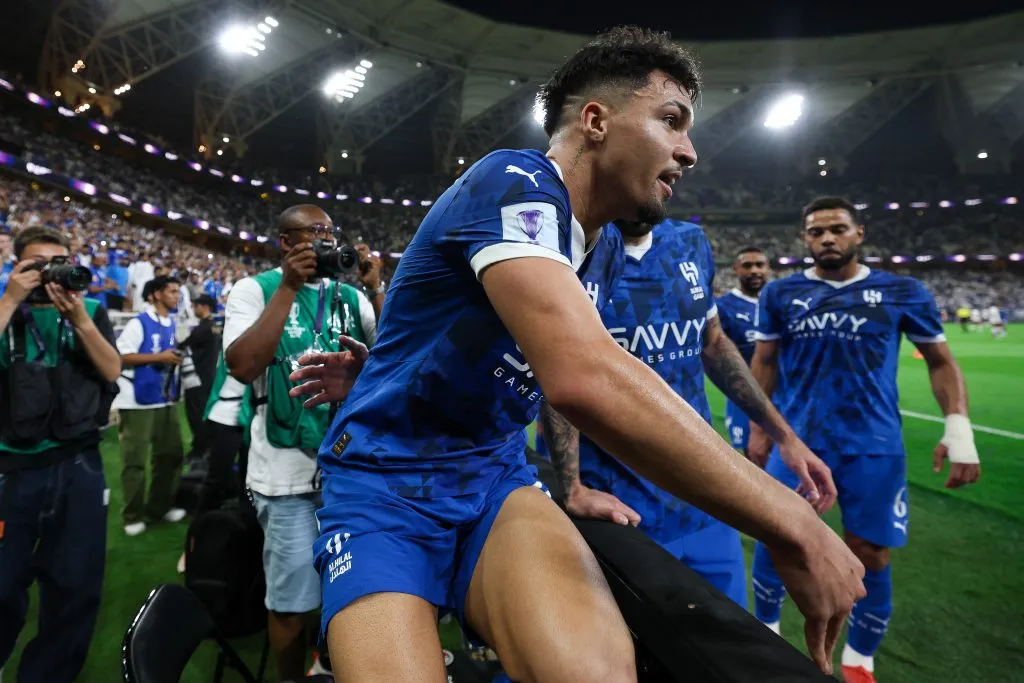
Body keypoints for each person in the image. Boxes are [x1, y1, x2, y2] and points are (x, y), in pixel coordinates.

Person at [293, 27, 865, 681]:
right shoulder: (511, 179)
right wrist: (791, 518)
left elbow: (547, 366)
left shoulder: (607, 248)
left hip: (493, 477)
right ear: (595, 120)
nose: (691, 151)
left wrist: (566, 483)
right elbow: (581, 374)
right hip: (385, 484)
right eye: (671, 120)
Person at [748, 196, 982, 683]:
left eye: (837, 229)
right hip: (798, 443)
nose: (827, 239)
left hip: (873, 444)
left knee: (870, 550)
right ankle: (764, 630)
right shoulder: (781, 294)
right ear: (804, 240)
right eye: (816, 232)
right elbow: (764, 363)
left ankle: (859, 658)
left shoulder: (904, 291)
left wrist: (958, 430)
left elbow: (940, 361)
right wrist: (758, 430)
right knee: (777, 538)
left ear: (859, 234)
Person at [543, 221, 832, 609]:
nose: (680, 162)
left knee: (730, 647)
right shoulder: (564, 249)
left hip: (704, 496)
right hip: (616, 507)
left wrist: (784, 437)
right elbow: (559, 365)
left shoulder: (689, 241)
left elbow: (712, 343)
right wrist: (572, 487)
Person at [223, 204, 376, 683]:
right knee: (291, 602)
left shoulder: (352, 296)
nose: (327, 241)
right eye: (314, 233)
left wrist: (375, 287)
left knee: (351, 585)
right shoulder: (255, 289)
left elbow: (394, 365)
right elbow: (244, 366)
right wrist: (288, 288)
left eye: (332, 232)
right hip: (286, 473)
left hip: (350, 469)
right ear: (286, 243)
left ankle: (329, 662)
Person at [0, 226, 121, 681]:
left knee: (75, 586)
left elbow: (111, 369)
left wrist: (81, 321)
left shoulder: (88, 308)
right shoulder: (5, 309)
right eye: (39, 264)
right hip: (12, 467)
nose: (53, 273)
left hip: (80, 464)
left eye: (61, 262)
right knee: (2, 583)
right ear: (18, 266)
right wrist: (11, 298)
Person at [113, 275, 188, 536]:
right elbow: (120, 356)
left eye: (178, 291)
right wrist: (160, 357)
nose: (177, 296)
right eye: (172, 291)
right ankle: (132, 515)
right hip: (136, 400)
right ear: (155, 294)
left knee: (171, 455)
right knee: (134, 461)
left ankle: (159, 507)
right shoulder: (138, 322)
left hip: (164, 397)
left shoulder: (170, 322)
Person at [715, 247, 771, 456]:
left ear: (768, 268)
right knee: (753, 455)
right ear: (736, 269)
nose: (754, 270)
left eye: (760, 265)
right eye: (747, 266)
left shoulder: (779, 303)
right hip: (745, 397)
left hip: (783, 395)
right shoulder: (723, 307)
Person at [180, 294, 219, 465]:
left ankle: (200, 450)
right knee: (203, 414)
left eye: (196, 306)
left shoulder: (203, 328)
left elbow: (183, 345)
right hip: (208, 376)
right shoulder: (215, 326)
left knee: (196, 415)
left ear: (204, 307)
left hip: (197, 378)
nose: (194, 309)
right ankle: (204, 447)